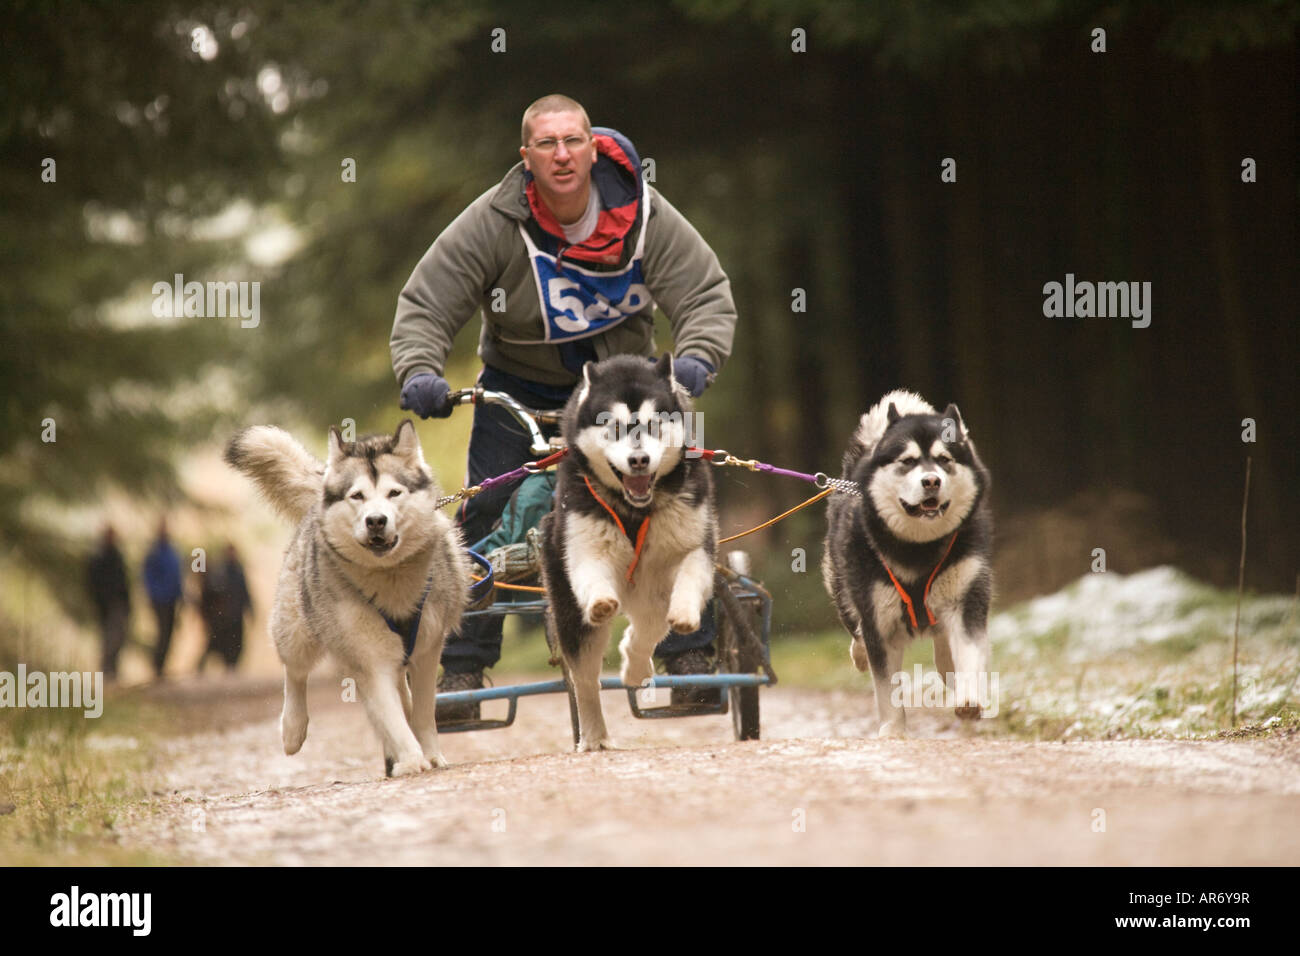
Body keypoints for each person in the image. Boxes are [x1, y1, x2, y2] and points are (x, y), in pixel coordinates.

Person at [391, 94, 737, 715]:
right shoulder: (494, 222)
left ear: (593, 146)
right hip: (516, 385)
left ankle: (692, 653)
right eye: (546, 145)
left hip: (627, 390)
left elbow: (705, 292)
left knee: (676, 499)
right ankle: (462, 672)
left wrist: (696, 359)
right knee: (489, 508)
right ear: (527, 158)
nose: (562, 155)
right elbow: (428, 302)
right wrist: (420, 371)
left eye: (573, 141)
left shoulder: (643, 213)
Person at [86, 524, 131, 680]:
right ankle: (106, 671)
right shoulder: (99, 557)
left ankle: (112, 670)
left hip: (119, 603)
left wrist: (126, 602)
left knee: (118, 637)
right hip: (106, 605)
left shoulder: (117, 556)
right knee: (109, 638)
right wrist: (101, 601)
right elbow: (92, 583)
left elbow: (123, 582)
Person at [198, 543, 252, 672]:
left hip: (237, 613)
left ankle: (232, 666)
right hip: (224, 616)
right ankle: (204, 667)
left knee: (237, 643)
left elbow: (245, 591)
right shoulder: (220, 572)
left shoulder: (239, 571)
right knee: (217, 643)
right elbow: (213, 593)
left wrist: (249, 608)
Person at [142, 517, 183, 678]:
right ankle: (157, 666)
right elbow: (148, 576)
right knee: (162, 631)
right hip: (160, 599)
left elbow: (177, 576)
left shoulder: (172, 552)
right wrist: (154, 593)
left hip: (172, 598)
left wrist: (181, 594)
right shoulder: (154, 553)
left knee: (169, 632)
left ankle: (161, 666)